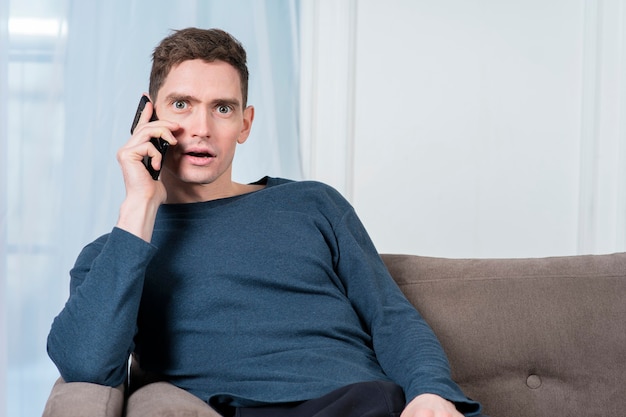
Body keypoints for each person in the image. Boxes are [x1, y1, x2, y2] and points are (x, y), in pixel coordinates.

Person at [47, 28, 484, 417]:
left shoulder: (313, 203)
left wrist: (429, 392)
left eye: (222, 108)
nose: (200, 127)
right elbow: (86, 364)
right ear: (148, 117)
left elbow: (389, 316)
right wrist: (139, 204)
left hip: (366, 401)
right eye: (181, 105)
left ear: (245, 123)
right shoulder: (115, 251)